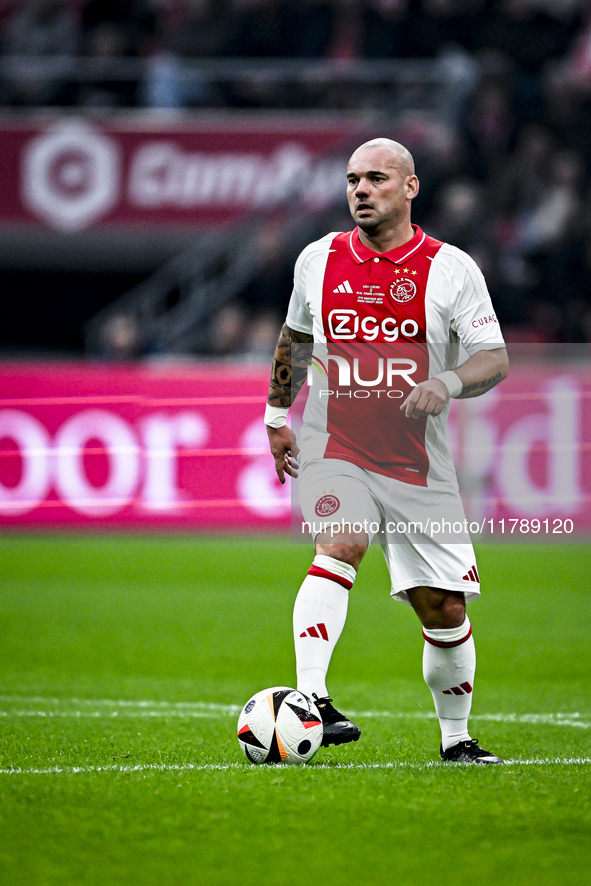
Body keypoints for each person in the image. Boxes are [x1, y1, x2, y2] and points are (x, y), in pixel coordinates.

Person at [264, 137, 509, 764]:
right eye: (351, 180)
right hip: (334, 441)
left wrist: (446, 381)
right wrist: (274, 415)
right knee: (340, 542)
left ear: (410, 187)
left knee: (444, 606)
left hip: (416, 461)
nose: (360, 190)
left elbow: (494, 359)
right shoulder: (317, 260)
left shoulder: (450, 268)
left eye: (375, 178)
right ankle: (311, 698)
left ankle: (456, 739)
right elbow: (293, 338)